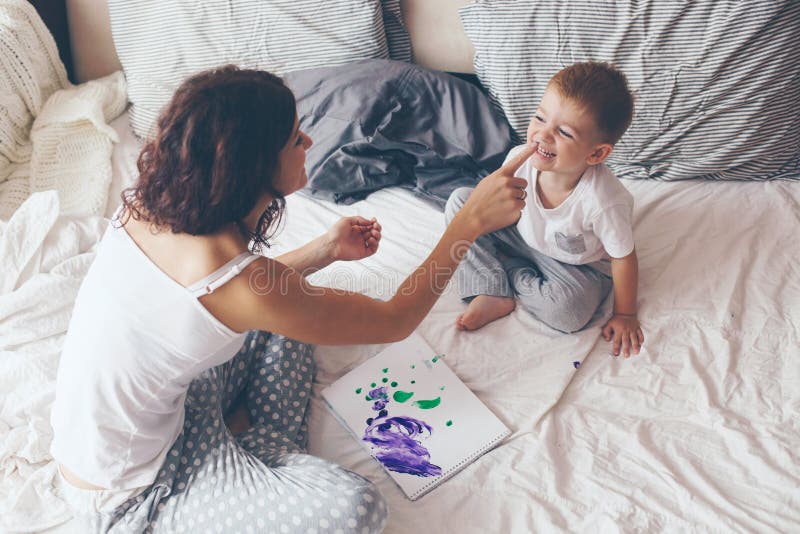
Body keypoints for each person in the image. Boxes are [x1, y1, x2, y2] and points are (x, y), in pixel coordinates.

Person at [50, 65, 535, 533]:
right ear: (252, 166)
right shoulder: (239, 283)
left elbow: (223, 301)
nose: (307, 143)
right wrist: (466, 224)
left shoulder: (150, 203)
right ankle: (257, 455)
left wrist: (324, 250)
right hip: (135, 493)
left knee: (295, 318)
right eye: (293, 139)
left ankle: (248, 443)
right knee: (355, 509)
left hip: (175, 407)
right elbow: (394, 320)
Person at [445, 61, 645, 358]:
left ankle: (507, 272)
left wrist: (626, 314)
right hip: (523, 233)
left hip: (577, 264)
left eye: (564, 132)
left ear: (596, 153)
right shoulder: (520, 159)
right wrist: (484, 214)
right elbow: (496, 202)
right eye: (540, 118)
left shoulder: (603, 201)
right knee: (461, 202)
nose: (543, 135)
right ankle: (490, 288)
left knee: (569, 313)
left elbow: (624, 258)